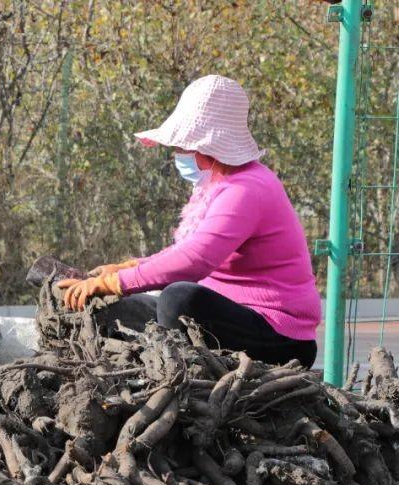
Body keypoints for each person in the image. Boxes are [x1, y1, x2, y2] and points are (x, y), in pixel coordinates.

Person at [56, 75, 321, 368]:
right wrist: (128, 267)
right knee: (124, 310)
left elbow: (195, 260)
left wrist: (113, 282)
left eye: (183, 146)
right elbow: (185, 250)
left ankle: (181, 376)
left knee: (178, 300)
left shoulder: (247, 188)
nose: (177, 154)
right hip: (232, 316)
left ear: (208, 147)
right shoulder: (216, 185)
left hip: (277, 334)